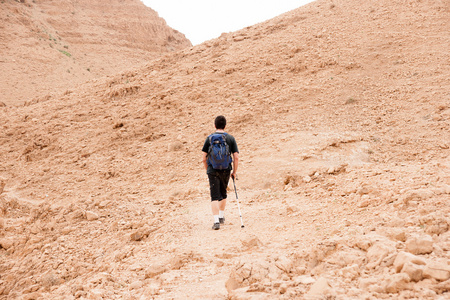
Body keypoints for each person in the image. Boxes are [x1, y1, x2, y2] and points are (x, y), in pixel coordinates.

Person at [202, 115, 239, 230]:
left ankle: (216, 221)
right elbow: (236, 157)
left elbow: (204, 157)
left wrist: (208, 169)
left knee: (214, 196)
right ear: (225, 126)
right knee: (223, 193)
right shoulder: (230, 138)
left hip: (212, 169)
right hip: (226, 169)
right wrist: (234, 171)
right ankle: (222, 216)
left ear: (215, 125)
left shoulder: (209, 138)